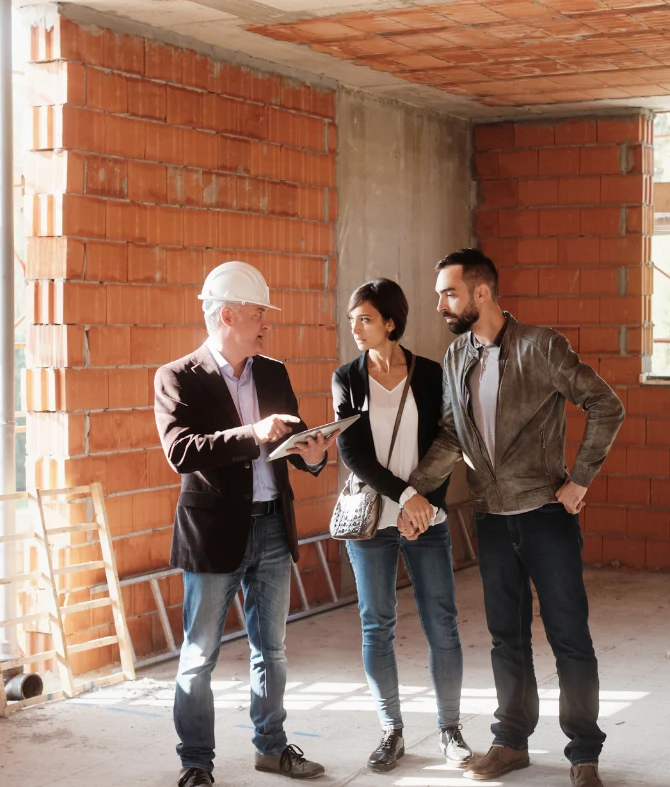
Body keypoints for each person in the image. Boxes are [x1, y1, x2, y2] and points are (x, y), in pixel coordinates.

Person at [398, 249, 625, 787]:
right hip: (492, 518)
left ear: (481, 293)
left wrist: (581, 479)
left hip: (546, 513)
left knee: (569, 635)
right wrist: (417, 494)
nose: (440, 305)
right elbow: (453, 437)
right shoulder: (455, 357)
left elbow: (605, 404)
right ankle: (511, 740)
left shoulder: (541, 346)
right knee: (506, 637)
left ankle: (584, 752)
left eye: (448, 293)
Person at [153, 260, 336, 787]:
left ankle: (272, 749)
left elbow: (290, 445)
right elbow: (182, 452)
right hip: (213, 536)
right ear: (227, 315)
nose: (267, 324)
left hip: (273, 528)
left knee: (271, 650)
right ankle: (197, 762)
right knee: (199, 655)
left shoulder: (273, 372)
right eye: (260, 313)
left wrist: (314, 452)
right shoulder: (177, 376)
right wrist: (251, 431)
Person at [330, 279, 474, 773]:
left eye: (365, 318)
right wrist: (407, 497)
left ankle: (450, 729)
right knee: (377, 624)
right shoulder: (346, 378)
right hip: (373, 521)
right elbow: (353, 454)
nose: (355, 327)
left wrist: (426, 506)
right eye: (352, 319)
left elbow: (446, 444)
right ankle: (390, 730)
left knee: (442, 622)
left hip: (426, 519)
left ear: (391, 322)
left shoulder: (430, 375)